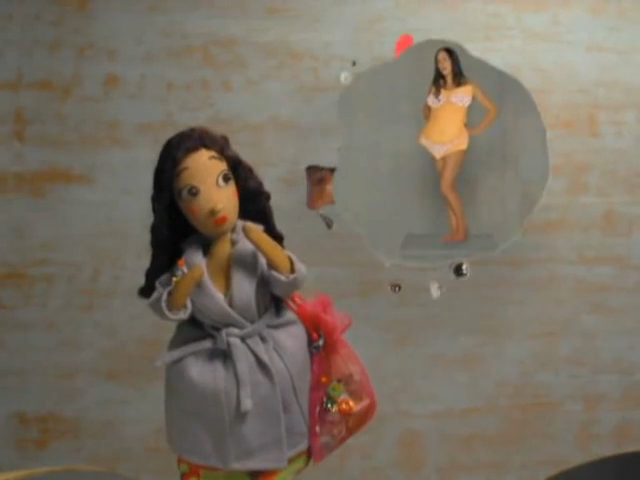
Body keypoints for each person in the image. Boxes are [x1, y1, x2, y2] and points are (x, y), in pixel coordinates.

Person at [137, 127, 311, 480]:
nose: (215, 203)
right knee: (213, 454)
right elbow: (170, 305)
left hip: (269, 358)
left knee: (277, 458)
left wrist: (264, 242)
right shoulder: (189, 261)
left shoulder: (252, 244)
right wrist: (186, 282)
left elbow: (290, 278)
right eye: (192, 192)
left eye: (222, 180)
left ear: (237, 182)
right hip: (212, 369)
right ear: (178, 206)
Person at [419, 46, 498, 243]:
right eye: (438, 61)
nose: (442, 64)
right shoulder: (436, 87)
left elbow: (492, 109)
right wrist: (430, 109)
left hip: (456, 141)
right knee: (447, 188)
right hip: (435, 141)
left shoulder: (468, 86)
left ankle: (463, 229)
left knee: (446, 186)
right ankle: (455, 231)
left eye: (445, 59)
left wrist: (476, 129)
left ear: (453, 61)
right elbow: (427, 113)